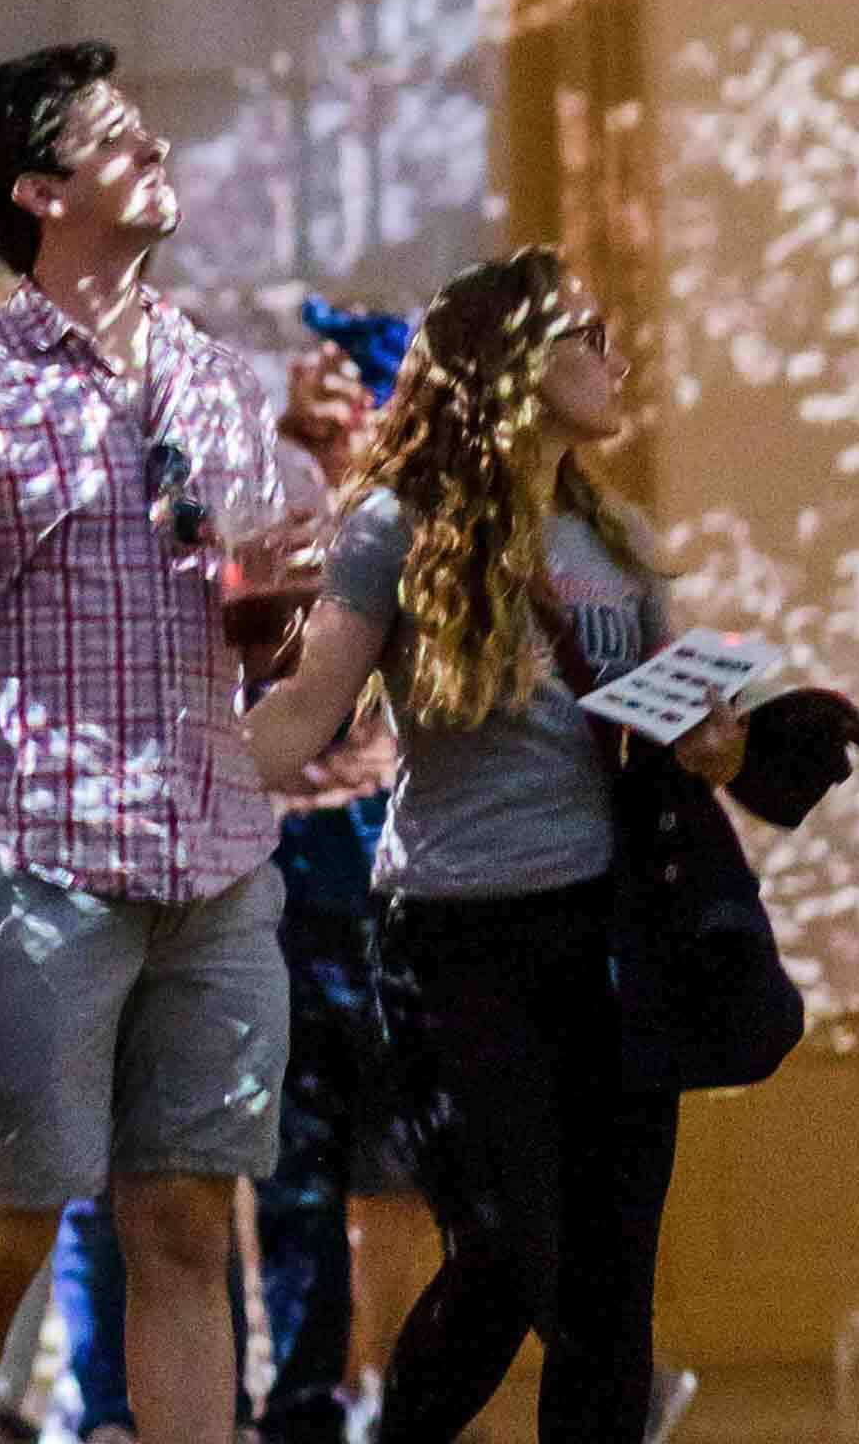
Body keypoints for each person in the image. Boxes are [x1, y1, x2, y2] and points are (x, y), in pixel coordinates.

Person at [0, 41, 308, 1444]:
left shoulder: (224, 380)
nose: (155, 146)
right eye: (119, 137)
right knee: (2, 1230)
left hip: (216, 861)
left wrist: (276, 609)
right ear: (43, 191)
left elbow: (263, 643)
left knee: (184, 1225)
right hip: (36, 871)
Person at [244, 250, 745, 1444]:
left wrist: (720, 740)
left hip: (614, 931)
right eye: (588, 333)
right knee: (514, 1255)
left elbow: (672, 741)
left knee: (611, 1288)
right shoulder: (392, 531)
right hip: (458, 938)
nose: (615, 357)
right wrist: (155, 773)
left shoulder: (616, 536)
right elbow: (308, 713)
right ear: (515, 363)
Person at [251, 326, 430, 1444]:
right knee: (290, 1161)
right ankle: (307, 1397)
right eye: (307, 393)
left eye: (345, 392)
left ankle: (392, 1388)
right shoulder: (248, 527)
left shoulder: (411, 534)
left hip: (387, 856)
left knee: (398, 1161)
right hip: (271, 857)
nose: (323, 409)